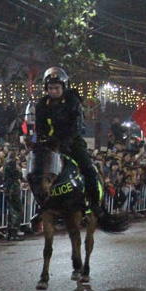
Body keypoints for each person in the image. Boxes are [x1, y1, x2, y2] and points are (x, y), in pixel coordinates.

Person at [34, 67, 103, 215]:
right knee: (34, 172)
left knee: (88, 169)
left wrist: (66, 142)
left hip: (72, 142)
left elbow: (77, 126)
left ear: (64, 87)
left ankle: (94, 203)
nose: (53, 91)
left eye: (57, 88)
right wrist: (42, 140)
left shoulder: (73, 101)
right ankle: (41, 206)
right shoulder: (41, 105)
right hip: (50, 144)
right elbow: (39, 127)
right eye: (50, 88)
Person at [2, 151, 24, 241]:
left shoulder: (6, 163)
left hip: (9, 189)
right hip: (13, 190)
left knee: (12, 211)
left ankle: (10, 232)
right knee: (16, 210)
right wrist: (18, 170)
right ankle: (13, 232)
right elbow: (17, 175)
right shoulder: (11, 163)